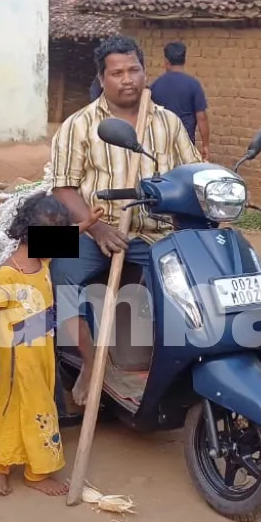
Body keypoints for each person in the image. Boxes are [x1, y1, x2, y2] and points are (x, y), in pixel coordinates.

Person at [49, 35, 203, 405]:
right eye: (116, 73)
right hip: (92, 227)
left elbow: (191, 172)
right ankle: (90, 361)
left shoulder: (167, 123)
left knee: (192, 285)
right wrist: (96, 226)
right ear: (102, 79)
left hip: (155, 231)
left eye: (134, 69)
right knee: (57, 273)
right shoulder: (80, 124)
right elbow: (62, 188)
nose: (127, 79)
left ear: (146, 71)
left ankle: (176, 368)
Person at [0, 193, 105, 497]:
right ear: (28, 232)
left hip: (43, 351)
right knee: (40, 408)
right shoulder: (8, 274)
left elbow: (69, 235)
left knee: (13, 407)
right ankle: (37, 473)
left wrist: (88, 222)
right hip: (20, 358)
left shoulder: (42, 258)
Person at [149, 41, 210, 160]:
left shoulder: (155, 86)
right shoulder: (193, 85)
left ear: (166, 62)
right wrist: (205, 145)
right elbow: (201, 117)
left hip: (161, 146)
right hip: (186, 146)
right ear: (184, 60)